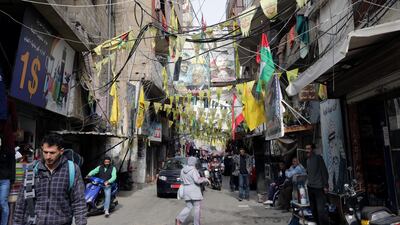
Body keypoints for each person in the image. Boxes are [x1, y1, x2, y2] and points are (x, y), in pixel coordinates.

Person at [13, 134, 87, 225]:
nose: (48, 156)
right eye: (45, 152)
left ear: (61, 151)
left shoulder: (72, 169)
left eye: (52, 153)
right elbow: (21, 203)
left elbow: (79, 202)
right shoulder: (31, 169)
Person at [176, 157, 209, 225]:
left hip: (186, 190)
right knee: (197, 208)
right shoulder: (194, 170)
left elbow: (181, 179)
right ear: (194, 162)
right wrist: (204, 179)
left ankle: (179, 219)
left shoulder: (183, 170)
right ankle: (196, 224)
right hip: (194, 191)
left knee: (189, 206)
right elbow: (197, 180)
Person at [0, 97, 17, 225]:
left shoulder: (8, 146)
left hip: (5, 180)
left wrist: (12, 179)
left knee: (2, 203)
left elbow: (12, 164)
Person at [306, 144, 329, 225]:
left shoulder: (318, 158)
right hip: (310, 188)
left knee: (320, 211)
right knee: (313, 210)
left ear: (313, 150)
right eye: (306, 149)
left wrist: (325, 185)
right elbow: (309, 173)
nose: (307, 150)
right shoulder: (307, 160)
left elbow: (324, 172)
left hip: (319, 188)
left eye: (308, 149)